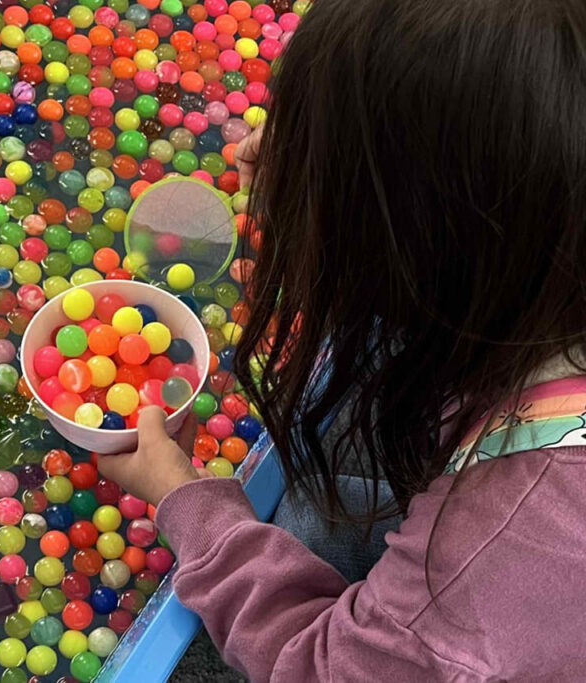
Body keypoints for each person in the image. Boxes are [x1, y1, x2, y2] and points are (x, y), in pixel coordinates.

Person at [97, 0, 586, 679]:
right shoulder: (539, 262)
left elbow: (324, 666)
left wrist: (193, 506)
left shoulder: (497, 550)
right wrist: (333, 174)